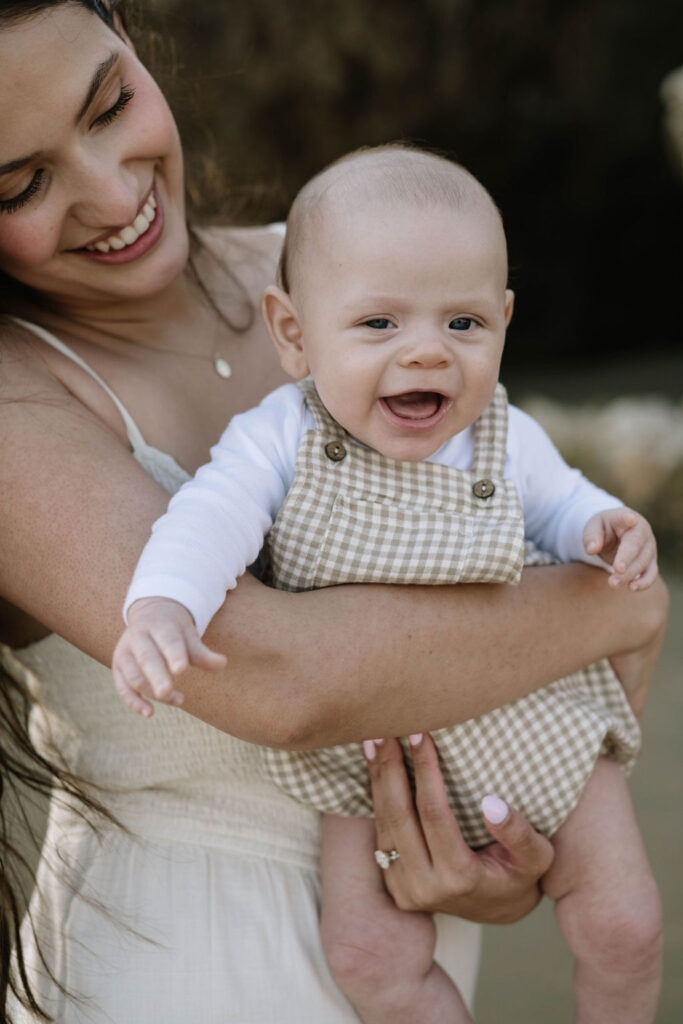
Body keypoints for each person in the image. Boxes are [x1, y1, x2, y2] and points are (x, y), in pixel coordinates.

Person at [0, 2, 668, 1022]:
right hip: (185, 969)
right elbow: (285, 677)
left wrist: (508, 846)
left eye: (110, 104)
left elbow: (513, 517)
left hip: (407, 940)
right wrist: (610, 609)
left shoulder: (353, 267)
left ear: (136, 44)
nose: (109, 191)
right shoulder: (16, 402)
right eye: (22, 183)